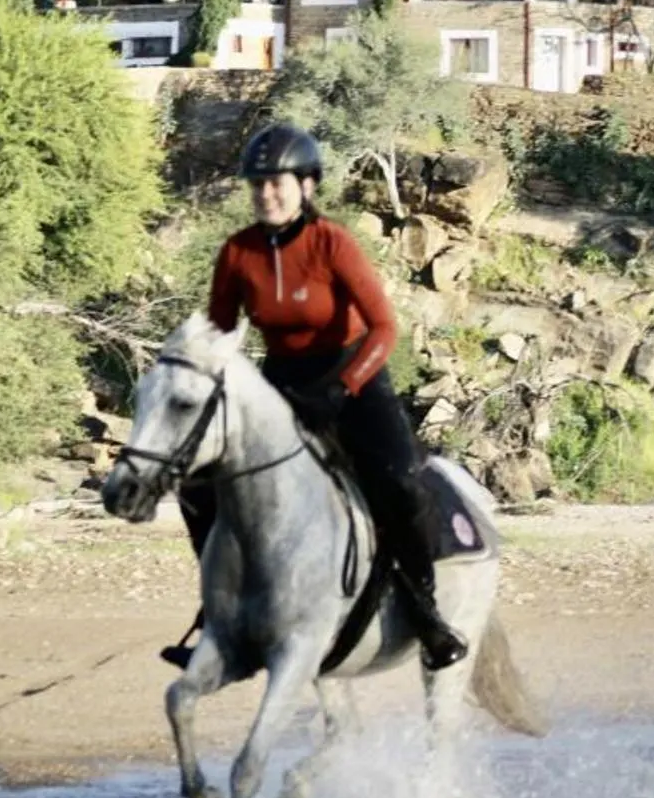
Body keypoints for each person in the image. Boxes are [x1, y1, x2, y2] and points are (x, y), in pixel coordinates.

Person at [164, 122, 469, 672]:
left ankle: (426, 613)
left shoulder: (333, 243)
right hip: (281, 381)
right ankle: (220, 607)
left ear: (305, 185)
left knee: (399, 481)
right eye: (258, 184)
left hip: (355, 377)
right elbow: (219, 335)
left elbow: (384, 328)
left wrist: (343, 387)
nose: (266, 194)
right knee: (197, 485)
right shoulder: (237, 253)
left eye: (277, 183)